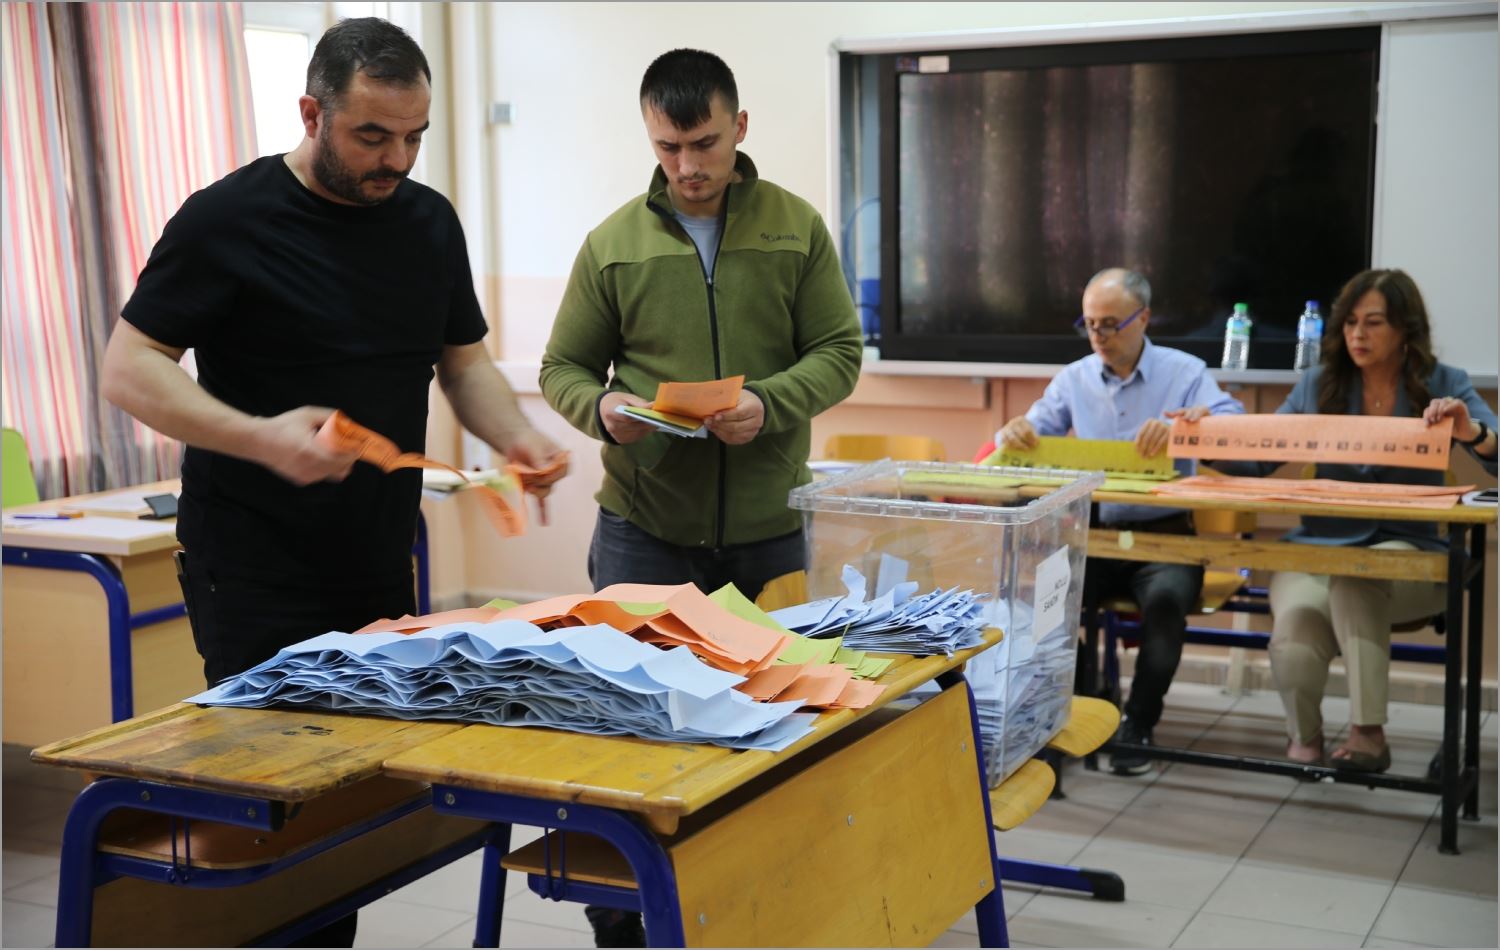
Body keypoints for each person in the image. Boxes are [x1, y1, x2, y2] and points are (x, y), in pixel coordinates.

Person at [101, 20, 565, 940]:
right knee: (279, 817)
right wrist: (260, 438)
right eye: (372, 136)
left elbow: (461, 361)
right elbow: (128, 368)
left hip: (378, 561)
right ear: (312, 113)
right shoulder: (227, 219)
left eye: (414, 136)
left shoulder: (428, 221)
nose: (397, 159)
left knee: (352, 814)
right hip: (254, 568)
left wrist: (516, 435)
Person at [539, 48, 861, 946]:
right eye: (668, 147)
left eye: (705, 143)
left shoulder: (795, 229)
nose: (687, 166)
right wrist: (603, 411)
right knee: (637, 730)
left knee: (775, 724)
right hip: (644, 531)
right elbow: (562, 368)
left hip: (769, 532)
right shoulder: (614, 244)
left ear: (739, 128)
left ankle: (761, 907)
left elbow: (840, 352)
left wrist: (771, 404)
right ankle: (623, 921)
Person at [1210, 268, 1497, 772]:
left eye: (1374, 323)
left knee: (1356, 578)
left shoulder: (1443, 382)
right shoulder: (1319, 383)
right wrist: (1200, 438)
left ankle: (1368, 735)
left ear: (1405, 329)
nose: (1357, 335)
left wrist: (1471, 430)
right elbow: (1259, 458)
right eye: (1349, 323)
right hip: (1319, 548)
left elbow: (1494, 449)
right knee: (1295, 633)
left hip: (1411, 553)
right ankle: (1307, 743)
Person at [995, 267, 1244, 775]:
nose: (1099, 336)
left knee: (1167, 606)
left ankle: (1138, 723)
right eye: (1089, 324)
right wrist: (1013, 431)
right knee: (1044, 604)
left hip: (1166, 535)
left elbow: (1234, 424)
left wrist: (1190, 428)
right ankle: (1080, 705)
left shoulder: (1184, 373)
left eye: (1110, 324)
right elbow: (1030, 433)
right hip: (1095, 534)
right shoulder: (1075, 378)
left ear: (1143, 318)